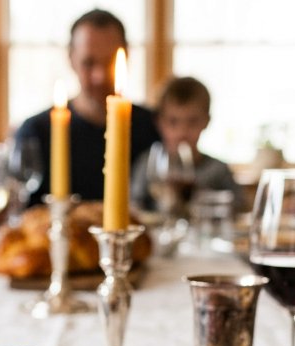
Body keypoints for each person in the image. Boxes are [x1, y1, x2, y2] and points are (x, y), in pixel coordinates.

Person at [15, 9, 161, 206]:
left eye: (109, 61)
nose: (99, 76)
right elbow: (20, 214)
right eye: (88, 62)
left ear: (127, 56)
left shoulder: (155, 128)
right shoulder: (36, 132)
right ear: (71, 58)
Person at [129, 76, 237, 211]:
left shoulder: (218, 170)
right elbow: (134, 208)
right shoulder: (148, 165)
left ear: (206, 122)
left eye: (192, 121)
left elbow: (238, 210)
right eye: (173, 122)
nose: (182, 132)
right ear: (159, 122)